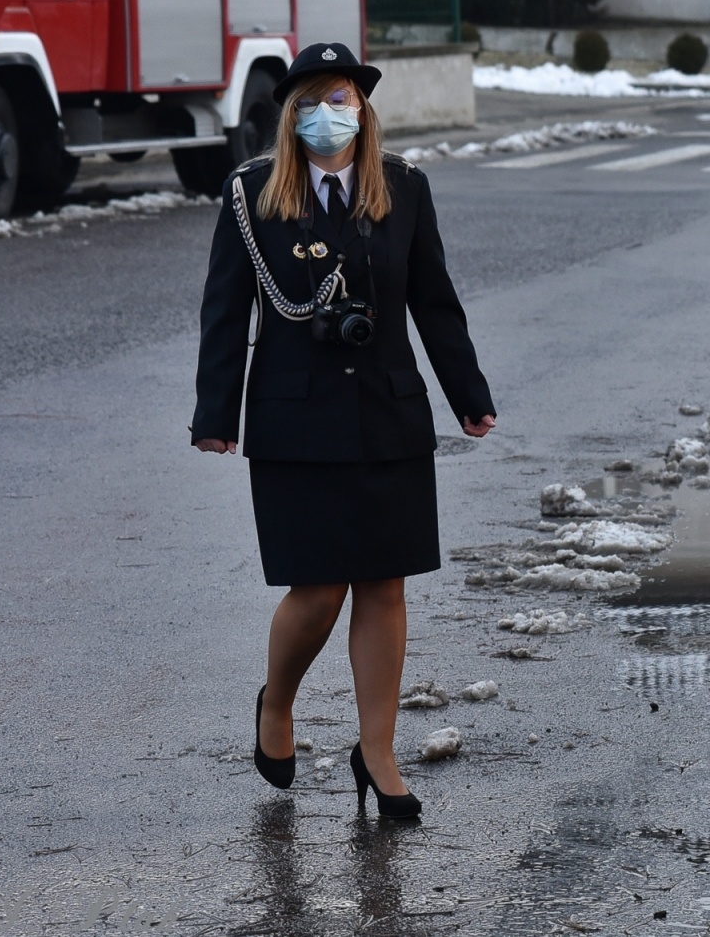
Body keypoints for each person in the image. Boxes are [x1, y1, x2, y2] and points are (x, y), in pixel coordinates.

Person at [191, 42, 496, 821]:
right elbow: (226, 311)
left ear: (364, 109)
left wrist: (468, 392)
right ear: (289, 115)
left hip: (388, 412)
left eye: (343, 98)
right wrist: (215, 414)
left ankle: (378, 751)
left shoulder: (404, 189)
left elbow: (435, 300)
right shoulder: (251, 195)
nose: (330, 114)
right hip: (295, 421)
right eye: (312, 100)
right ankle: (278, 706)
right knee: (318, 589)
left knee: (385, 586)